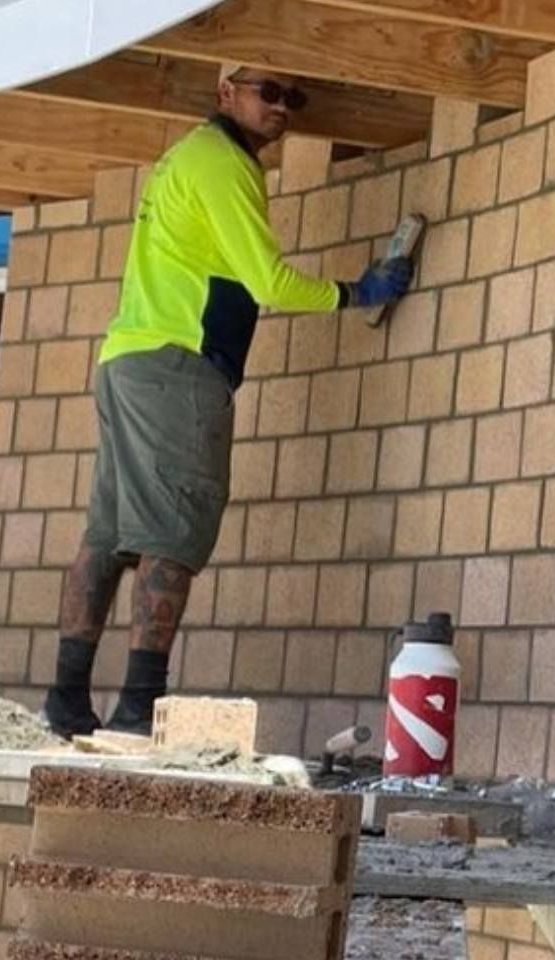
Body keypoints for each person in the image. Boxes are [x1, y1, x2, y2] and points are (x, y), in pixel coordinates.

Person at [44, 63, 412, 738]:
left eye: (293, 96)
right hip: (180, 367)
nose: (282, 106)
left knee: (108, 535)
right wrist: (356, 292)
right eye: (267, 91)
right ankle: (137, 706)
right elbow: (267, 281)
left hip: (128, 360)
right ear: (226, 92)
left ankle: (66, 699)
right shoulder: (225, 164)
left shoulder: (184, 158)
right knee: (171, 533)